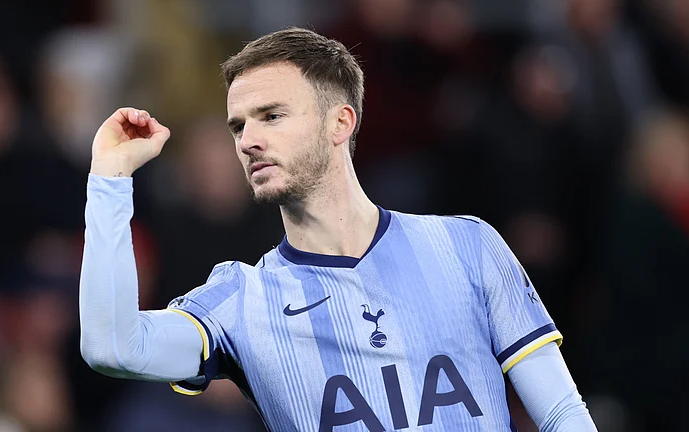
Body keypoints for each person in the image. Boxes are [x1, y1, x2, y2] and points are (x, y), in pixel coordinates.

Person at [79, 27, 597, 431]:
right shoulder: (239, 300)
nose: (248, 141)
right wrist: (109, 180)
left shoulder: (467, 246)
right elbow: (112, 348)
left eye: (271, 115)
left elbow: (561, 415)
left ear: (340, 123)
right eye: (239, 125)